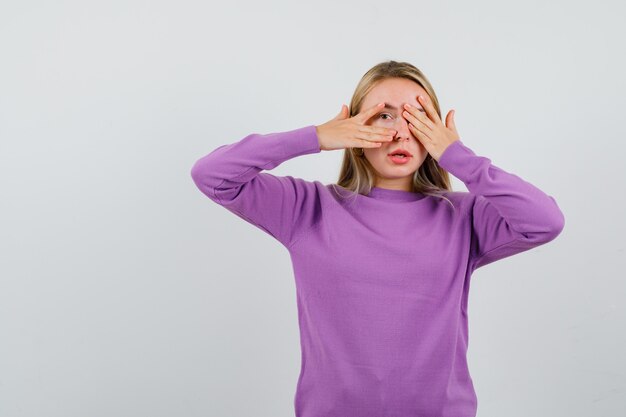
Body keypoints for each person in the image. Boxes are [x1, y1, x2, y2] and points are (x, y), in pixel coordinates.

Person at [190, 60, 565, 417]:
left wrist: (457, 156)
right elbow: (212, 174)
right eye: (384, 116)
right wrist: (317, 136)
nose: (401, 131)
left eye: (418, 117)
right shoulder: (306, 208)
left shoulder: (463, 216)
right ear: (355, 126)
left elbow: (545, 220)